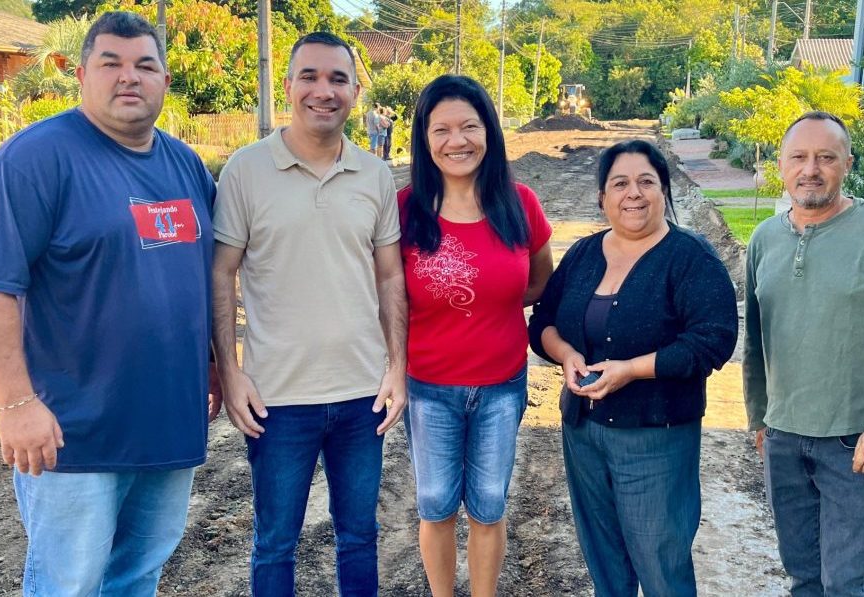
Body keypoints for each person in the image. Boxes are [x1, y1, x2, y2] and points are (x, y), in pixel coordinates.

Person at [0, 11, 219, 596]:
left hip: (167, 424)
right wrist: (16, 402)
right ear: (81, 74)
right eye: (111, 64)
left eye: (145, 65)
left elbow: (197, 275)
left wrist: (210, 362)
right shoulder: (34, 160)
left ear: (165, 80)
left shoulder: (184, 165)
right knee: (68, 583)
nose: (129, 77)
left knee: (137, 575)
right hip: (74, 432)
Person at [211, 31, 407, 597]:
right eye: (311, 77)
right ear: (288, 85)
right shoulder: (245, 171)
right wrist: (231, 369)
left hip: (360, 395)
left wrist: (397, 366)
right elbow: (221, 272)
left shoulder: (374, 175)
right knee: (275, 542)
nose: (324, 91)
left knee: (359, 537)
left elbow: (390, 274)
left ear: (354, 92)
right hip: (278, 399)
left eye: (338, 79)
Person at [528, 139, 737, 596]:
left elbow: (714, 340)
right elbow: (542, 321)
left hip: (655, 436)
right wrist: (566, 354)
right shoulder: (584, 253)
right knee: (605, 564)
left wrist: (632, 369)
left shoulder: (689, 258)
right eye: (619, 183)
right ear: (602, 197)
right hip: (583, 432)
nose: (633, 193)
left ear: (665, 190)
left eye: (646, 181)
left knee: (661, 565)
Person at [743, 111, 864, 596]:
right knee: (803, 578)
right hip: (784, 442)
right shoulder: (765, 239)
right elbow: (757, 338)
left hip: (855, 447)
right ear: (780, 167)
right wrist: (759, 417)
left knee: (846, 583)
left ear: (846, 164)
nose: (812, 168)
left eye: (826, 157)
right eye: (799, 157)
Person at [399, 74, 554, 596]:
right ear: (424, 138)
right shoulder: (403, 210)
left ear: (489, 130)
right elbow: (388, 297)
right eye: (441, 129)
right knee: (437, 505)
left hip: (501, 386)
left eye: (469, 125)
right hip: (428, 388)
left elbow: (539, 282)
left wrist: (491, 300)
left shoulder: (520, 202)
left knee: (489, 506)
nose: (456, 140)